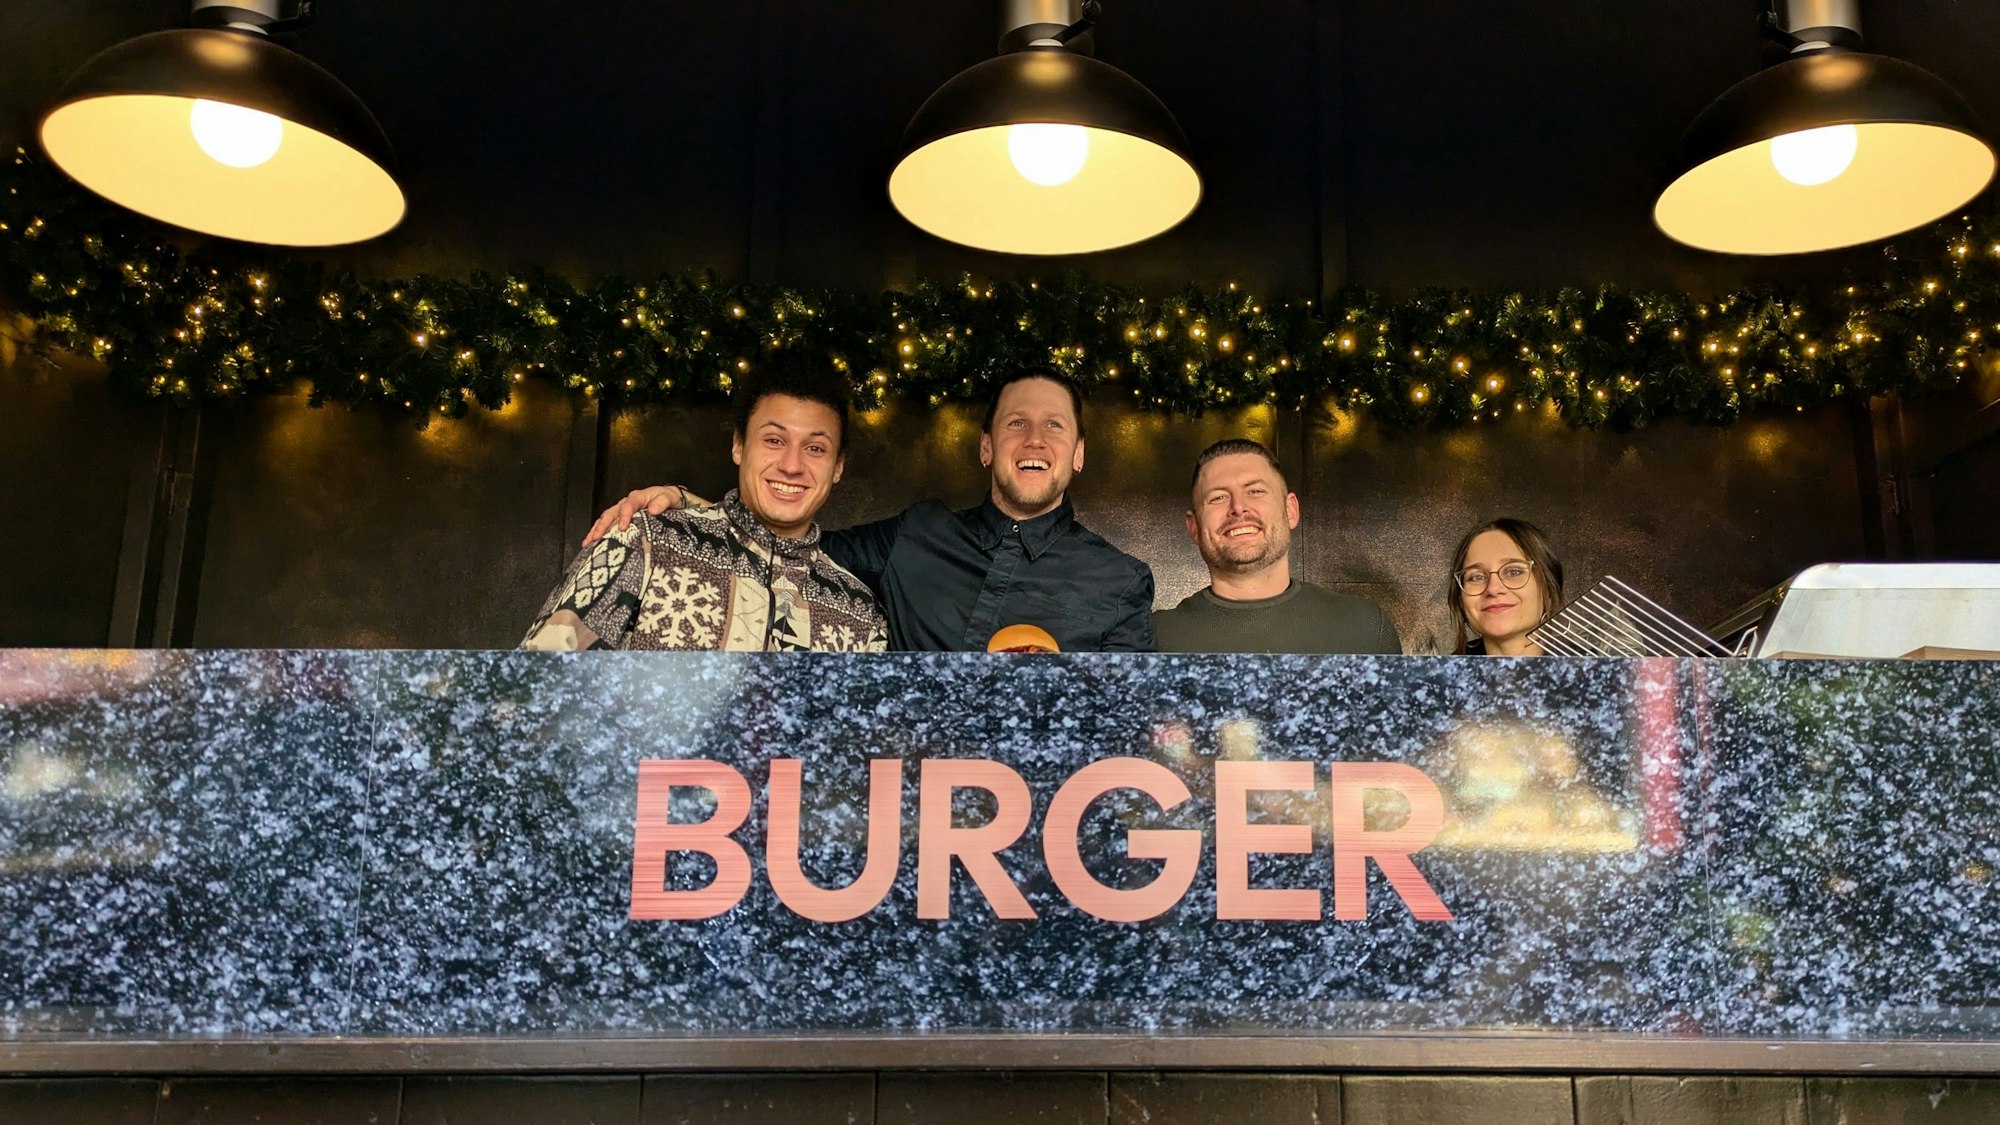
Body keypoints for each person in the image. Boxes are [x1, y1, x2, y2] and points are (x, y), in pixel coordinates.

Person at [585, 369, 1155, 652]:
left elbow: (1122, 727)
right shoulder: (919, 532)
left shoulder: (1121, 581)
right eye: (1015, 424)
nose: (1034, 440)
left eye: (1054, 426)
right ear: (986, 448)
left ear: (1077, 454)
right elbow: (787, 545)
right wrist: (688, 506)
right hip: (901, 824)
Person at [522, 351, 886, 652]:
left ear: (837, 467)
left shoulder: (859, 612)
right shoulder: (646, 541)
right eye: (774, 440)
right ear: (738, 445)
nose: (792, 466)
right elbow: (534, 692)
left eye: (815, 448)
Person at [1152, 438, 1400, 654]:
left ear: (1290, 510)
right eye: (1218, 497)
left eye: (1256, 491)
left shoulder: (1365, 628)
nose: (1238, 507)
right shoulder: (1153, 639)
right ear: (1193, 527)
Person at [1448, 517, 1567, 656]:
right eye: (1476, 577)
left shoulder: (1595, 671)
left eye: (1513, 572)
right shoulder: (1432, 675)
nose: (1493, 589)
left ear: (1548, 589)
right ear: (1461, 599)